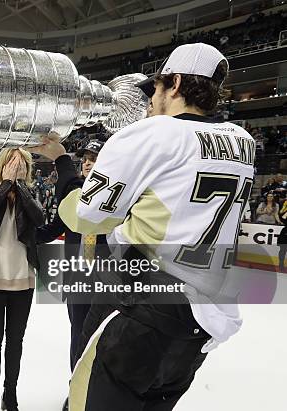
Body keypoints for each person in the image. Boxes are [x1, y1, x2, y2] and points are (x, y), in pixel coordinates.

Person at [31, 43, 254, 410]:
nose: (150, 100)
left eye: (156, 88)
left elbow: (88, 216)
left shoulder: (154, 134)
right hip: (198, 324)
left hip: (139, 310)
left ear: (176, 82)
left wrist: (64, 166)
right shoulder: (242, 142)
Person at [35, 139, 106, 411]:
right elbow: (54, 229)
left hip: (106, 279)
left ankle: (98, 391)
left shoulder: (113, 195)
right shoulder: (71, 194)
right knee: (78, 335)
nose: (87, 163)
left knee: (101, 338)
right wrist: (23, 233)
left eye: (94, 158)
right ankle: (77, 390)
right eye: (85, 158)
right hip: (78, 277)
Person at [0, 147, 44, 411]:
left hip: (22, 278)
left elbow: (39, 217)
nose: (17, 167)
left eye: (22, 163)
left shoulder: (30, 191)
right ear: (3, 164)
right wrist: (5, 185)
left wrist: (20, 188)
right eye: (13, 162)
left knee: (16, 341)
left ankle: (10, 396)